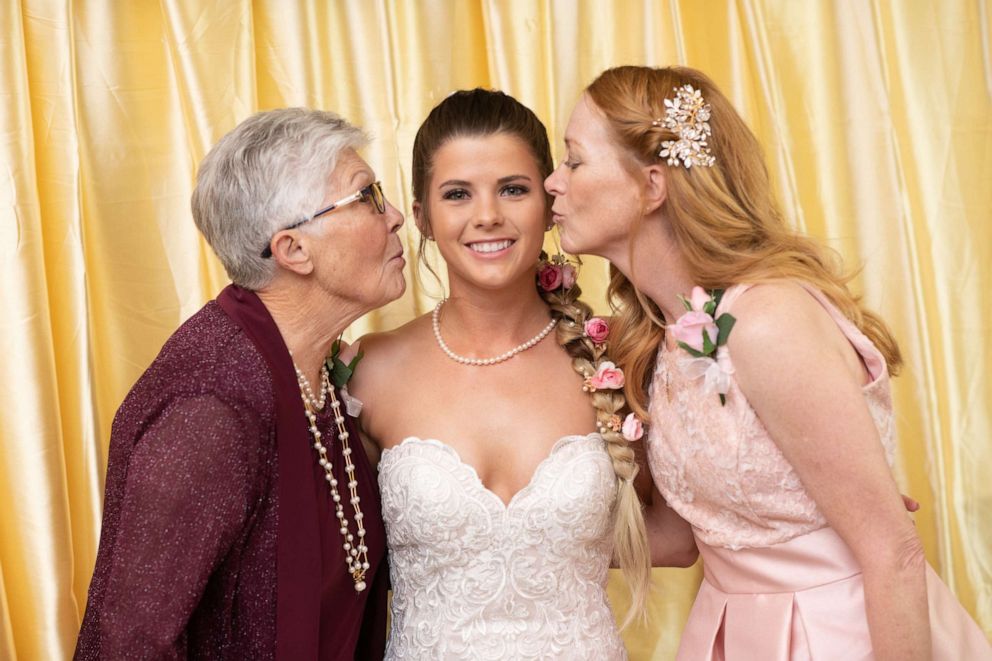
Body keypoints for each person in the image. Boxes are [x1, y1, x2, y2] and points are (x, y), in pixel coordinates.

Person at [545, 64, 992, 660]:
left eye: (574, 160)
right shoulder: (664, 338)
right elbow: (682, 537)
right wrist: (518, 527)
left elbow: (895, 553)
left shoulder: (768, 321)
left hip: (837, 638)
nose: (553, 182)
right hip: (732, 634)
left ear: (652, 186)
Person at [346, 88, 696, 660]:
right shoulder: (368, 370)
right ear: (422, 219)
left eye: (513, 189)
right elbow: (338, 562)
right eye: (457, 194)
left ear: (550, 202)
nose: (488, 215)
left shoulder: (621, 355)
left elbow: (680, 538)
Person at [75, 108, 405, 660]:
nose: (395, 215)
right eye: (367, 197)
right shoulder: (210, 410)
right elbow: (131, 645)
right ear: (293, 249)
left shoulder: (316, 373)